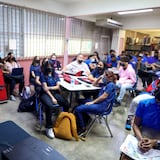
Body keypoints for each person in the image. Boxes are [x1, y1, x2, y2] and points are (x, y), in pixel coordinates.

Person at [120, 89, 160, 160]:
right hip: (142, 135)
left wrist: (155, 142)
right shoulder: (144, 104)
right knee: (125, 157)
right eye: (158, 102)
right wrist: (141, 139)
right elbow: (135, 124)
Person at [74, 70, 116, 134]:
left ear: (109, 78)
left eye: (104, 76)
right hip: (98, 103)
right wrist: (99, 78)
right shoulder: (106, 83)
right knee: (80, 100)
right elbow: (94, 84)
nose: (103, 77)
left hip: (102, 106)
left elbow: (104, 97)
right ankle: (85, 119)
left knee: (78, 109)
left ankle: (82, 128)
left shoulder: (111, 85)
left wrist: (93, 102)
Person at [39, 61, 69, 139]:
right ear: (45, 67)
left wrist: (50, 88)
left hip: (54, 93)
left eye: (51, 66)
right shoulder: (43, 75)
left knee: (66, 103)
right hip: (45, 94)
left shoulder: (55, 75)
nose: (50, 68)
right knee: (49, 105)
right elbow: (45, 89)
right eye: (48, 66)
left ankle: (63, 121)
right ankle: (49, 128)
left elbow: (58, 87)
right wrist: (52, 97)